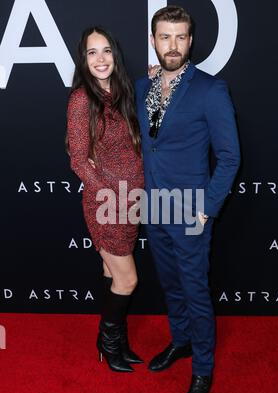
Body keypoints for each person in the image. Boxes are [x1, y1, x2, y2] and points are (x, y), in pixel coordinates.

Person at [135, 6, 240, 393]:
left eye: (180, 37)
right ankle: (181, 341)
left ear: (191, 41)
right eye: (165, 37)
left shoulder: (211, 90)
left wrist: (206, 210)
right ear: (153, 40)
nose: (173, 45)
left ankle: (203, 369)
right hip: (155, 207)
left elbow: (230, 157)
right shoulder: (143, 87)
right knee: (170, 284)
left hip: (191, 211)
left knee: (195, 290)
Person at [67, 26, 144, 373]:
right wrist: (111, 193)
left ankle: (119, 343)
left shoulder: (124, 91)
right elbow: (79, 160)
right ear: (83, 60)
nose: (100, 59)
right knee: (127, 280)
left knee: (111, 274)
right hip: (107, 203)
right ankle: (108, 341)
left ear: (116, 55)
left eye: (106, 51)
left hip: (132, 201)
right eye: (91, 52)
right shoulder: (83, 98)